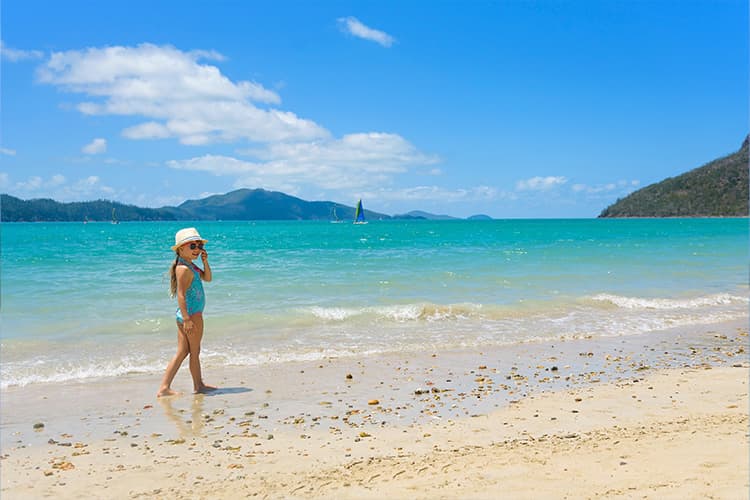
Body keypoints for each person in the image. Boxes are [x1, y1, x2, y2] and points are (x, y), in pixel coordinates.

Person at [157, 228, 217, 397]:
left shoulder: (190, 265)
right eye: (192, 246)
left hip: (187, 315)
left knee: (183, 351)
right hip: (191, 315)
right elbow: (181, 295)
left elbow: (208, 278)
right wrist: (187, 319)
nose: (197, 249)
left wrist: (205, 262)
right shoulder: (183, 269)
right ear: (181, 249)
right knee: (194, 351)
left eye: (199, 246)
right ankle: (198, 385)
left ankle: (165, 387)